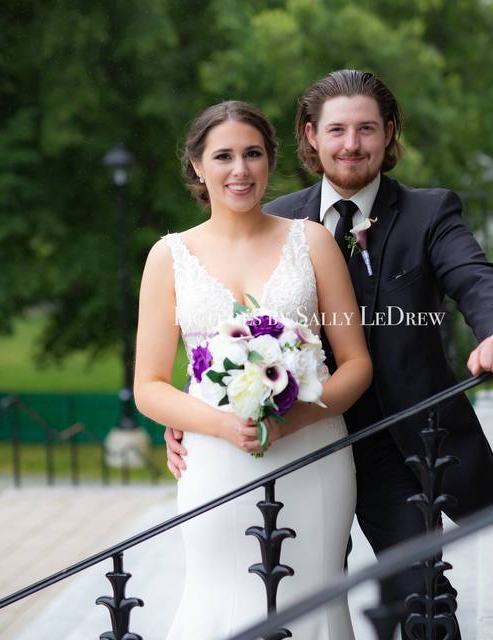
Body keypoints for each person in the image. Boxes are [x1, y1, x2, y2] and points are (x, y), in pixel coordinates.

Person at [166, 70, 493, 635]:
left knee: (420, 600)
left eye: (366, 129)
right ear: (310, 136)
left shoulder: (430, 213)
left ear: (389, 134)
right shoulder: (276, 217)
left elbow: (477, 277)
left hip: (401, 444)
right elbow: (220, 324)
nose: (351, 144)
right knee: (293, 601)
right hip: (296, 444)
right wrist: (203, 411)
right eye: (336, 129)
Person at [134, 100, 372, 639]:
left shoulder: (311, 242)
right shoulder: (168, 257)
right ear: (197, 166)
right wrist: (219, 425)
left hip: (312, 451)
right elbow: (148, 387)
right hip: (216, 458)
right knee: (219, 596)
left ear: (269, 162)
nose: (239, 170)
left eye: (252, 154)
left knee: (312, 599)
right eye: (223, 156)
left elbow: (355, 364)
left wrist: (296, 418)